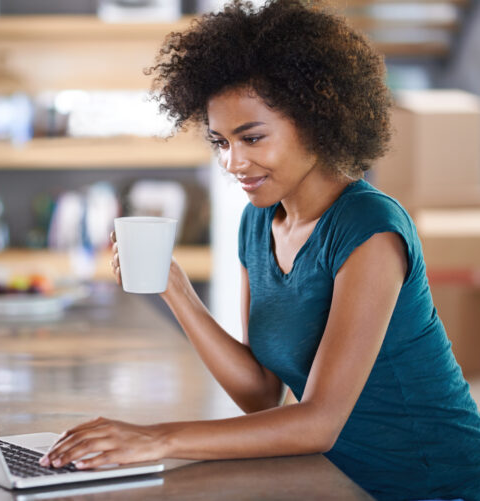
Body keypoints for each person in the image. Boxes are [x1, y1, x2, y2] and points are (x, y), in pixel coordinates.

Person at [39, 1, 480, 499]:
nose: (233, 162)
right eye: (220, 141)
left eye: (251, 138)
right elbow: (262, 394)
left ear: (316, 118)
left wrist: (157, 438)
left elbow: (318, 423)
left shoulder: (370, 228)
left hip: (433, 484)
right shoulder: (258, 222)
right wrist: (176, 292)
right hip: (334, 480)